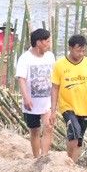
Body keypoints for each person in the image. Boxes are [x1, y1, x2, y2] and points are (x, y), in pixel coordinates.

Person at [53, 31, 87, 164]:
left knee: (79, 140)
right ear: (70, 48)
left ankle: (71, 163)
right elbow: (55, 87)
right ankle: (69, 163)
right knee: (74, 133)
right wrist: (53, 109)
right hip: (67, 106)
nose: (81, 54)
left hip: (84, 107)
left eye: (83, 51)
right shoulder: (60, 65)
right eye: (78, 51)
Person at [13, 27, 57, 160]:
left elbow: (55, 77)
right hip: (31, 102)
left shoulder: (50, 56)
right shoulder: (25, 58)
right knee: (35, 131)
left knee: (48, 127)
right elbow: (21, 79)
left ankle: (44, 156)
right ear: (39, 43)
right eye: (47, 42)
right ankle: (36, 156)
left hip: (47, 101)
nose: (49, 45)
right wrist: (26, 98)